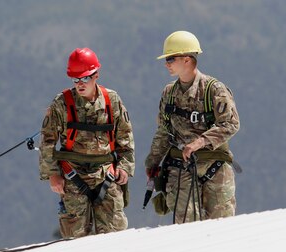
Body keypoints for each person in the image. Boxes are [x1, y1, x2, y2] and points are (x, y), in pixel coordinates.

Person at [145, 31, 240, 224]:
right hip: (180, 170)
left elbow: (231, 123)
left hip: (215, 168)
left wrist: (200, 142)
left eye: (171, 58)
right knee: (186, 231)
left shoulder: (214, 90)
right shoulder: (169, 93)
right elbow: (164, 130)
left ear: (187, 59)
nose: (166, 63)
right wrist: (153, 163)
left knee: (222, 228)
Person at [39, 47, 135, 238]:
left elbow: (124, 136)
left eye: (85, 78)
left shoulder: (111, 100)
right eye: (75, 79)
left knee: (115, 235)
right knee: (75, 239)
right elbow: (48, 141)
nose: (80, 84)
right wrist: (52, 174)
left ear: (96, 75)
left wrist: (124, 167)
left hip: (106, 175)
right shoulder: (62, 103)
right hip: (73, 176)